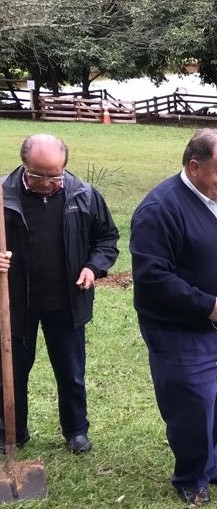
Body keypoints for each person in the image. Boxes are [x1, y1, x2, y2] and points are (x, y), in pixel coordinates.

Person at [130, 129, 217, 505]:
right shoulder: (160, 210)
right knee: (191, 404)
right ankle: (189, 477)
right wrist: (205, 303)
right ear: (194, 167)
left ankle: (209, 463)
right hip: (180, 329)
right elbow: (152, 277)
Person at [0, 134, 119, 454]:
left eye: (56, 175)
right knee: (10, 372)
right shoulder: (2, 195)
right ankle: (12, 430)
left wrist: (93, 268)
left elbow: (107, 239)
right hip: (14, 302)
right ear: (24, 165)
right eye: (39, 175)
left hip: (66, 302)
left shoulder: (84, 196)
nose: (48, 182)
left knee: (71, 371)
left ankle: (75, 430)